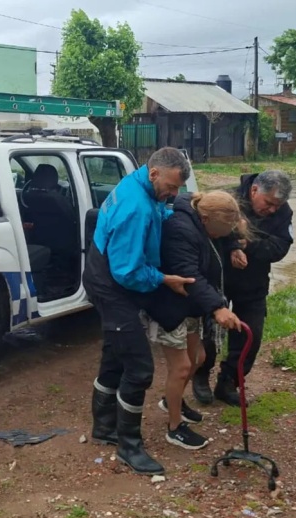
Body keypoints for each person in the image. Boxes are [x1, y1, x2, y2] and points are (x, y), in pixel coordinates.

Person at [83, 147, 195, 476]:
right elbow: (128, 272)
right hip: (113, 285)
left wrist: (175, 212)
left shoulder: (138, 185)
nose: (174, 194)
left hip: (106, 275)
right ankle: (129, 446)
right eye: (172, 187)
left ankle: (104, 428)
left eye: (178, 189)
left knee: (115, 356)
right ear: (154, 173)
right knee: (139, 367)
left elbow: (158, 211)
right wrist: (163, 278)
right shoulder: (135, 208)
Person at [141, 191, 246, 450]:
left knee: (197, 359)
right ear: (206, 218)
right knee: (181, 367)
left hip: (189, 306)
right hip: (169, 306)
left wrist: (232, 245)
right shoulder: (180, 229)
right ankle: (174, 428)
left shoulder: (202, 218)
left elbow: (227, 231)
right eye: (221, 231)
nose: (222, 235)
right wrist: (218, 308)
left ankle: (171, 401)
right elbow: (189, 275)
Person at [191, 170, 294, 406]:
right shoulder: (226, 199)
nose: (272, 210)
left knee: (251, 337)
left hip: (254, 284)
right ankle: (201, 375)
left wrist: (248, 245)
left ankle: (228, 383)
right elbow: (206, 236)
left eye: (277, 206)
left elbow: (280, 247)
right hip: (218, 280)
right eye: (268, 204)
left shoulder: (283, 212)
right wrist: (232, 247)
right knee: (209, 334)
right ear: (255, 190)